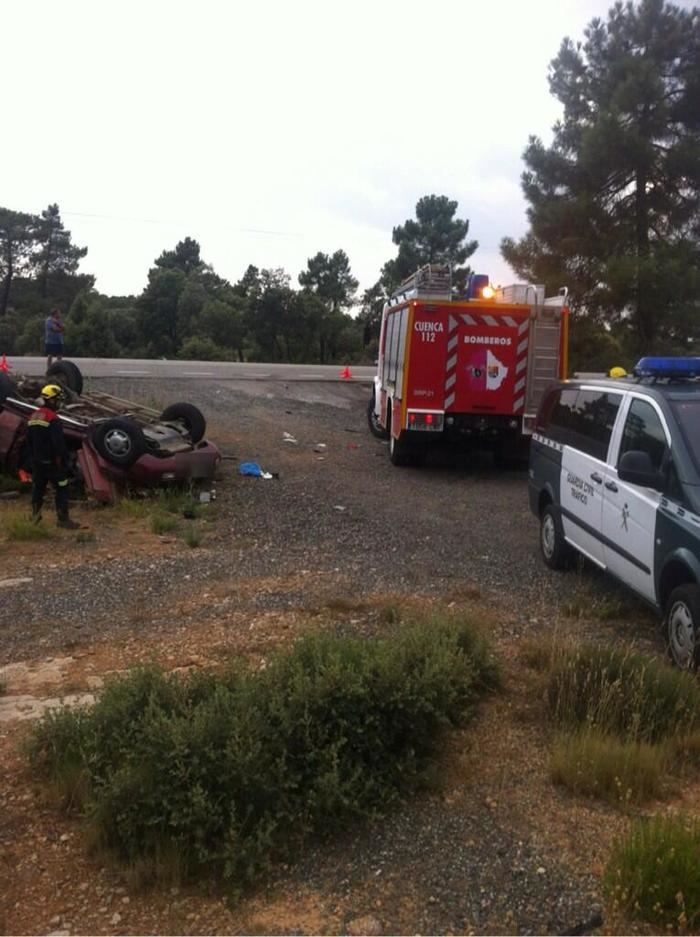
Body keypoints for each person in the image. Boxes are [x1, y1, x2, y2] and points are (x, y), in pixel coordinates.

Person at [27, 384, 80, 529]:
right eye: (57, 400)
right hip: (52, 463)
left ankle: (35, 518)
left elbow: (28, 441)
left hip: (38, 462)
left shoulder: (33, 416)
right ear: (51, 400)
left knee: (38, 489)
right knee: (62, 487)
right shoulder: (52, 418)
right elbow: (58, 443)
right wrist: (65, 461)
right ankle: (63, 520)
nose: (59, 403)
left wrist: (32, 459)